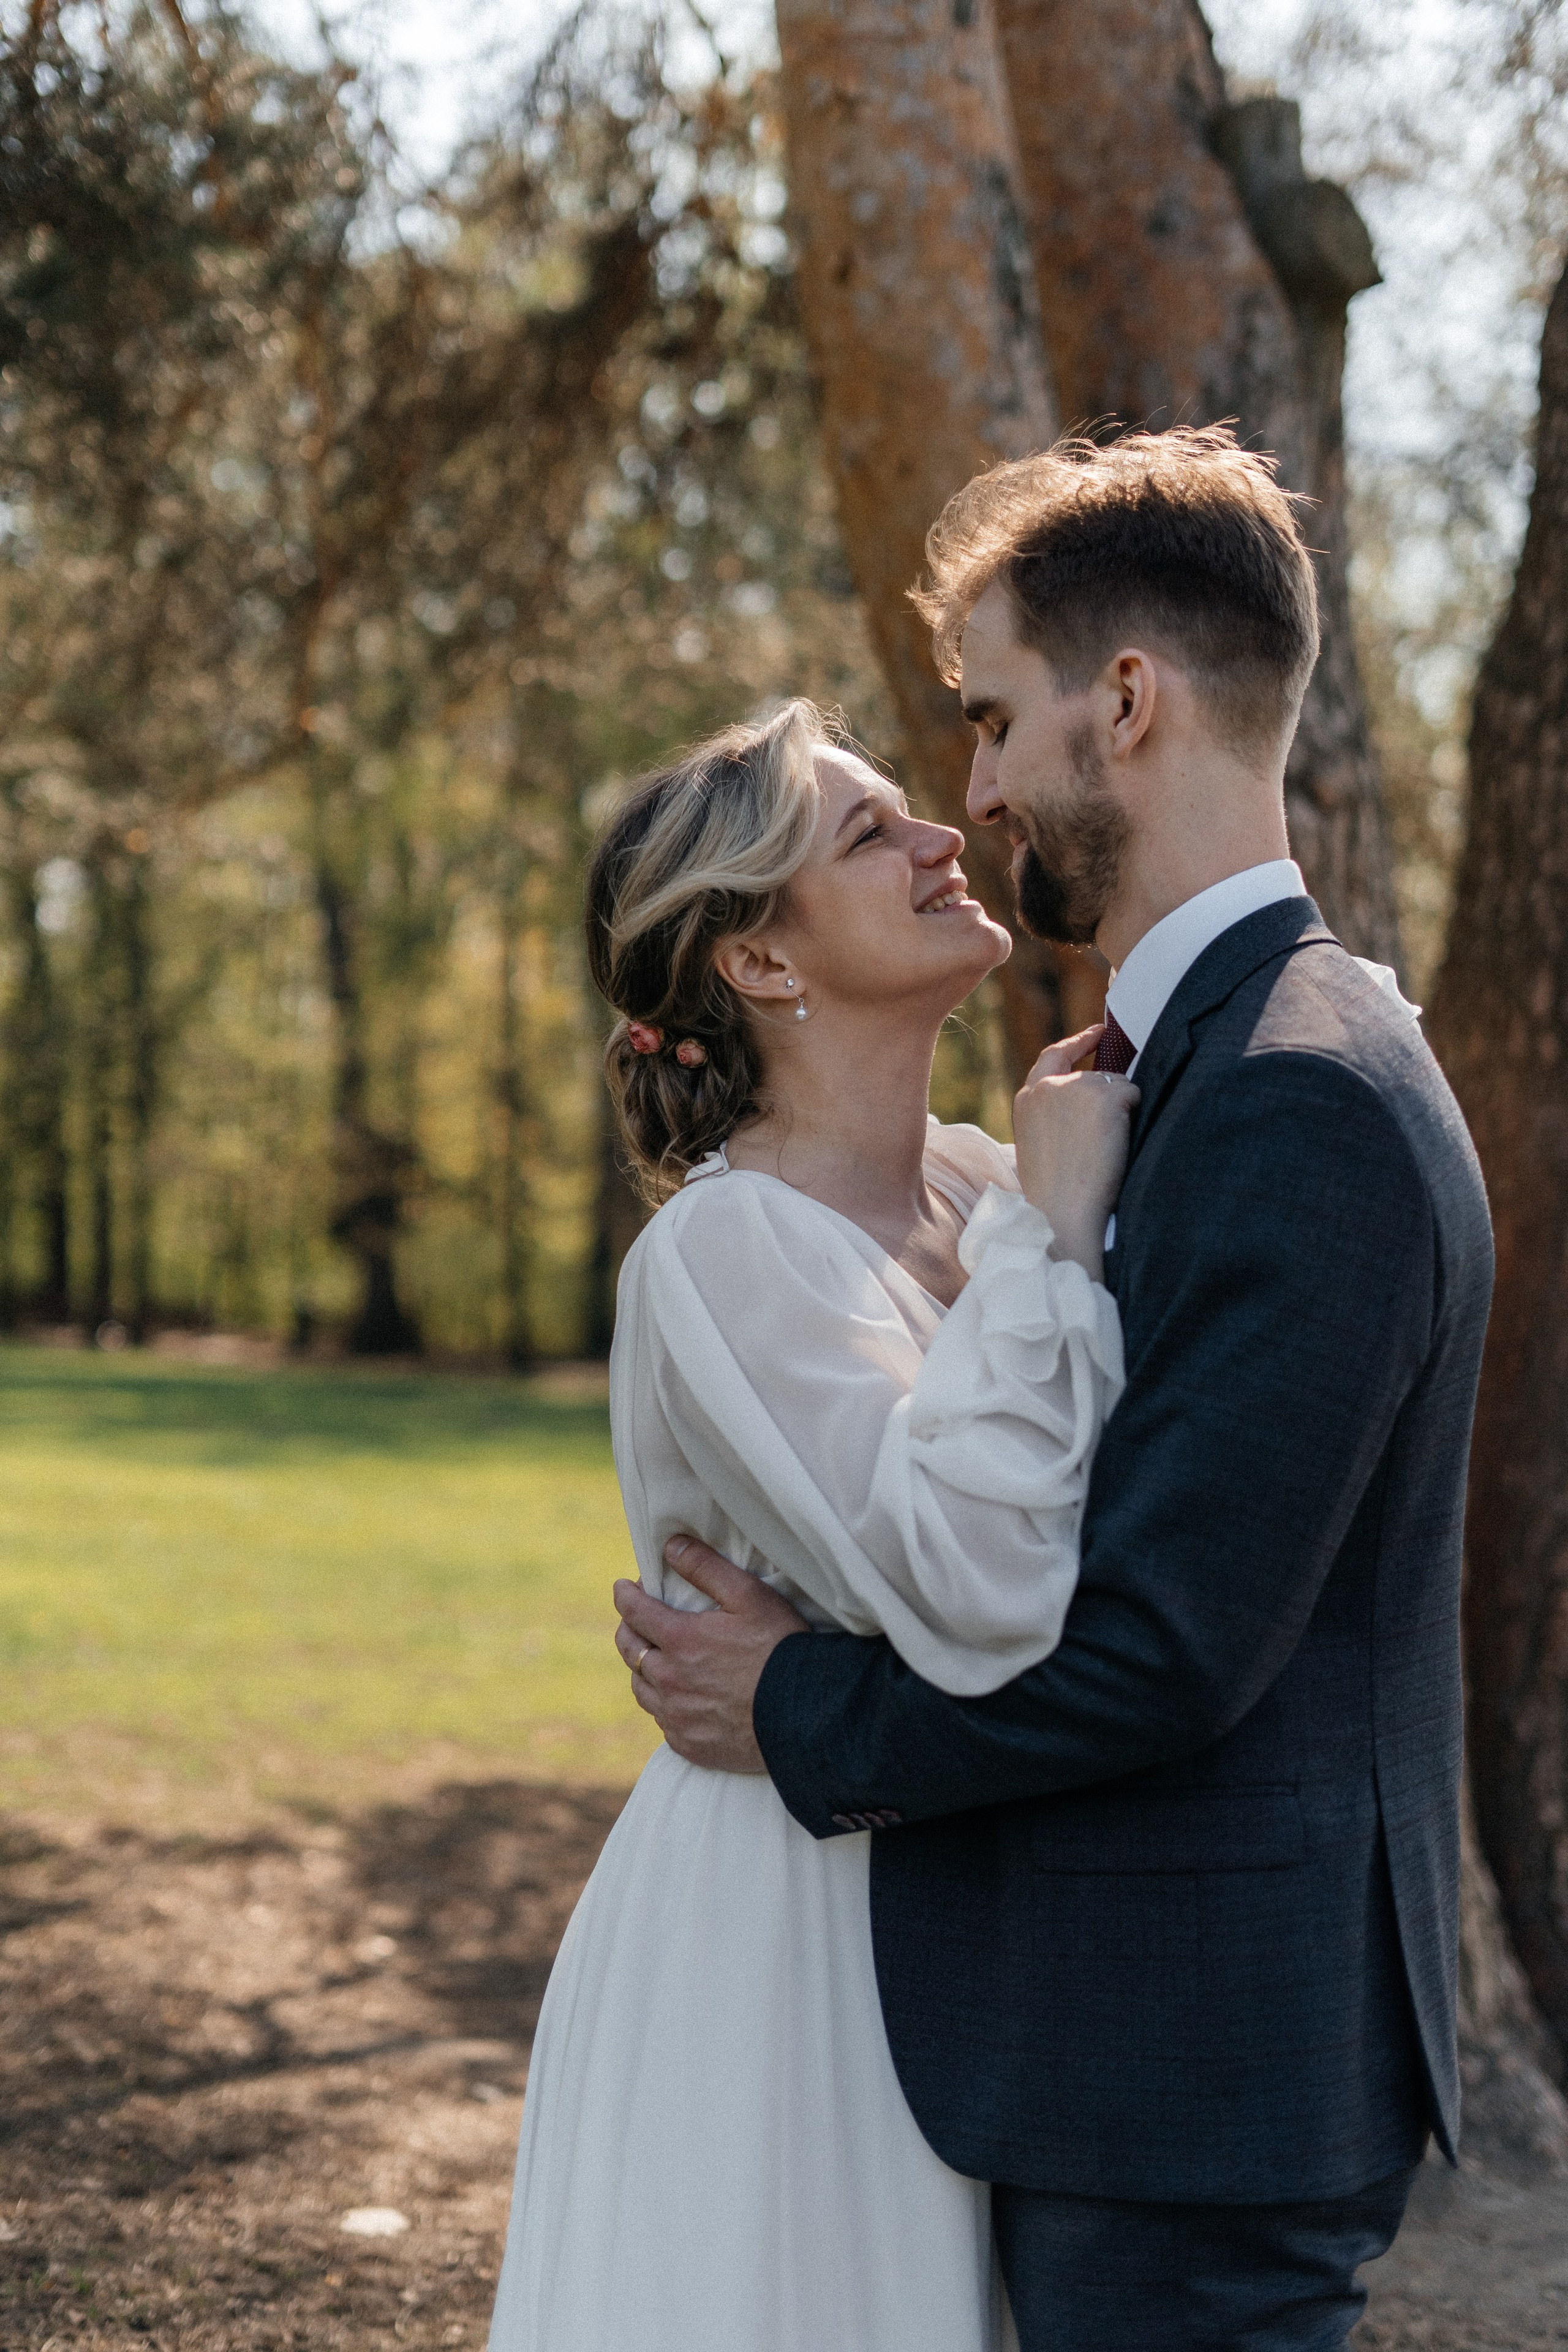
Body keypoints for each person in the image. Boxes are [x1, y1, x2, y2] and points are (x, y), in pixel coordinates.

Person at [609, 427, 1494, 2352]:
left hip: (1192, 2067)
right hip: (1124, 2049)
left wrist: (796, 1699)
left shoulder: (1291, 1093)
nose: (977, 788)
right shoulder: (1181, 1074)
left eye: (998, 722)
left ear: (1127, 698)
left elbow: (1161, 1648)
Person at [486, 684, 1134, 2352]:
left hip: (971, 1913)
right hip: (784, 1947)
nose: (943, 832)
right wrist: (1062, 1230)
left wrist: (1043, 1208)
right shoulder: (731, 1250)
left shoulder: (993, 1185)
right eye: (869, 832)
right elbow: (986, 1585)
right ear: (759, 963)